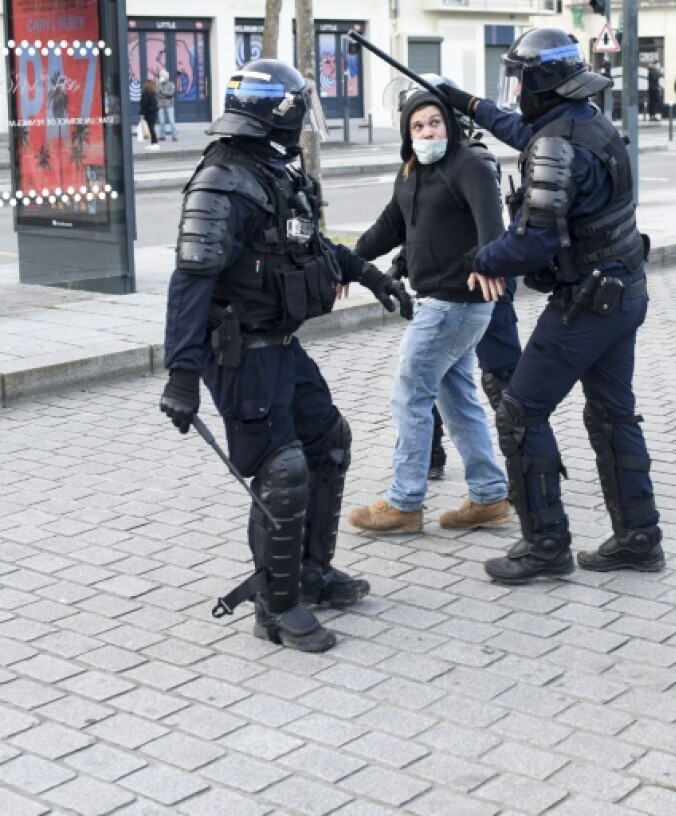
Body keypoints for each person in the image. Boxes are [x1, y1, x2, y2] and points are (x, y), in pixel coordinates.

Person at [159, 59, 411, 651]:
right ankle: (276, 608)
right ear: (279, 111)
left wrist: (371, 276)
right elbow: (191, 279)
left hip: (280, 344)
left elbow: (309, 245)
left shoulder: (271, 171)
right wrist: (182, 375)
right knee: (283, 467)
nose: (304, 119)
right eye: (300, 106)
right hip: (239, 351)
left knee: (329, 441)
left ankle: (311, 574)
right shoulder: (223, 181)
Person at [435, 28, 663, 584]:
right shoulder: (586, 119)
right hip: (623, 293)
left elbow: (534, 241)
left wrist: (481, 260)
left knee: (519, 412)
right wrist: (465, 101)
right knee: (612, 414)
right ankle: (639, 537)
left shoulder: (557, 144)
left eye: (518, 79)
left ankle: (545, 546)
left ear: (539, 83)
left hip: (585, 304)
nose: (515, 91)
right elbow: (523, 131)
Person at [345, 83, 513, 536]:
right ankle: (489, 495)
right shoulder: (411, 171)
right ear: (408, 133)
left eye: (434, 121)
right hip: (440, 304)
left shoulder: (469, 163)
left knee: (410, 395)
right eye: (417, 126)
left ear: (449, 123)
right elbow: (389, 226)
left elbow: (491, 225)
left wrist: (487, 259)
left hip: (455, 303)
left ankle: (404, 502)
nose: (427, 131)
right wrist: (349, 264)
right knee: (455, 398)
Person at [157, 69, 179, 142]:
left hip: (169, 105)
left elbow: (171, 93)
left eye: (162, 75)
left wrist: (162, 92)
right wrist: (164, 94)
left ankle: (174, 136)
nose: (161, 77)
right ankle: (162, 135)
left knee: (171, 121)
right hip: (160, 105)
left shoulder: (171, 84)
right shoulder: (159, 84)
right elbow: (157, 94)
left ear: (166, 76)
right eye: (160, 75)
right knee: (162, 121)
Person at [140, 80, 160, 151]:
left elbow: (144, 104)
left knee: (151, 128)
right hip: (154, 112)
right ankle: (154, 142)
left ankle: (154, 142)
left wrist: (142, 113)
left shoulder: (145, 93)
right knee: (152, 128)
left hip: (149, 113)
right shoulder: (153, 93)